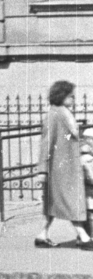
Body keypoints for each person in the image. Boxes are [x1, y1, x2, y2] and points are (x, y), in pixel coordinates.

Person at [36, 79, 93, 249]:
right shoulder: (54, 115)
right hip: (59, 168)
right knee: (69, 201)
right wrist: (42, 170)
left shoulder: (63, 113)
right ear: (62, 96)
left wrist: (79, 143)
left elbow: (66, 138)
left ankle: (42, 235)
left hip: (67, 166)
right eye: (71, 96)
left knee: (57, 203)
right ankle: (83, 237)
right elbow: (47, 143)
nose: (74, 100)